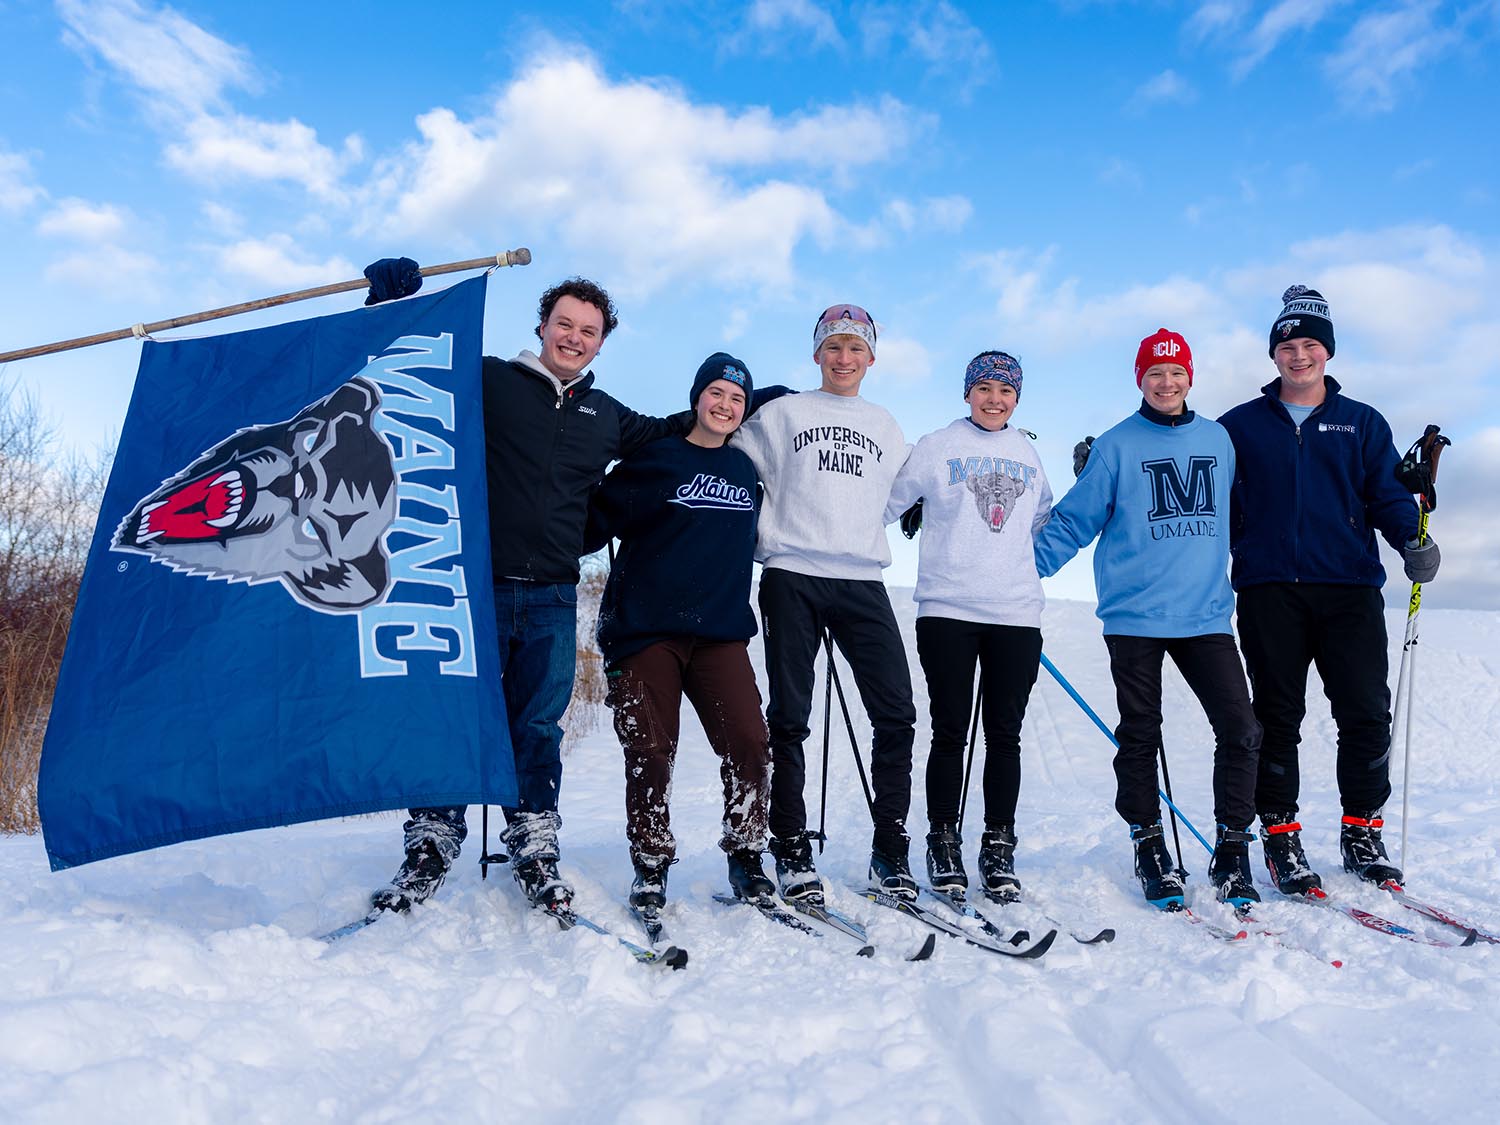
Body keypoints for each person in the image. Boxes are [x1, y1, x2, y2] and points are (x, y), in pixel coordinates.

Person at [365, 263, 688, 915]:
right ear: (542, 326)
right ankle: (430, 841)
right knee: (453, 715)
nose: (573, 336)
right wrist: (392, 304)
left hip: (551, 596)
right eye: (564, 324)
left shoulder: (606, 415)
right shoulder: (487, 379)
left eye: (588, 330)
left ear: (602, 342)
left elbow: (671, 433)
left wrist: (745, 401)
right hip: (470, 588)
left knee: (536, 726)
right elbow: (405, 367)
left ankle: (534, 842)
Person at [1219, 286, 1439, 893]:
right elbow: (1196, 484)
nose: (1299, 356)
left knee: (1366, 712)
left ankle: (1361, 827)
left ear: (1328, 353)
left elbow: (1389, 494)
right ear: (1273, 355)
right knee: (1277, 717)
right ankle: (1281, 833)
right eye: (1287, 346)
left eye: (1310, 345)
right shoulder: (1238, 426)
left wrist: (1409, 540)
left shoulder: (1363, 423)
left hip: (1348, 589)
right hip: (1269, 590)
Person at [1035, 328, 1262, 909]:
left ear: (1191, 378)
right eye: (1155, 373)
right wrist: (1013, 572)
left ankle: (1233, 852)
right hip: (1135, 615)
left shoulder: (1219, 440)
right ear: (1141, 378)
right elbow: (1072, 523)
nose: (1167, 383)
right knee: (1140, 733)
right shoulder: (1115, 445)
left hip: (1206, 614)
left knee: (1241, 730)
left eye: (1176, 373)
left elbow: (1247, 510)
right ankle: (1149, 843)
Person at [731, 304, 918, 902]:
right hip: (792, 573)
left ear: (871, 358)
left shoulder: (885, 425)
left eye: (855, 349)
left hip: (861, 580)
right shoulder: (782, 414)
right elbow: (730, 459)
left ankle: (890, 848)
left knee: (896, 713)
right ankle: (789, 845)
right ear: (817, 354)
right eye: (833, 347)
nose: (844, 359)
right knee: (788, 717)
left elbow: (894, 498)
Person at [582, 353, 776, 911]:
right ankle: (649, 861)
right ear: (697, 397)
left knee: (749, 741)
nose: (725, 405)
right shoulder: (654, 460)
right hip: (646, 633)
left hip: (719, 635)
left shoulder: (745, 471)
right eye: (716, 393)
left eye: (737, 399)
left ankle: (746, 853)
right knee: (649, 749)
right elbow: (590, 526)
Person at [883, 351, 1052, 902]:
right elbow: (887, 501)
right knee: (951, 731)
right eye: (983, 387)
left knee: (1006, 736)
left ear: (1018, 398)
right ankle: (943, 839)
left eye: (1005, 390)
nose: (994, 398)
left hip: (1015, 615)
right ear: (967, 393)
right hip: (948, 609)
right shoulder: (937, 446)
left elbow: (1043, 517)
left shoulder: (1026, 451)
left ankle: (998, 846)